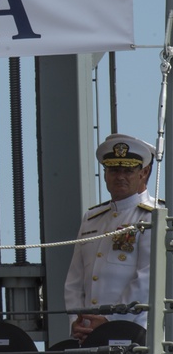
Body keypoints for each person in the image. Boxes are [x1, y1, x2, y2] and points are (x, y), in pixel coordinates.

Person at [64, 133, 157, 342]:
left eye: (127, 170)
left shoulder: (153, 216)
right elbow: (74, 281)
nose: (120, 176)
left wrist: (109, 319)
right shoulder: (92, 219)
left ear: (143, 173)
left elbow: (147, 280)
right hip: (87, 334)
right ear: (105, 174)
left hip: (132, 332)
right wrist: (76, 322)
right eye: (114, 170)